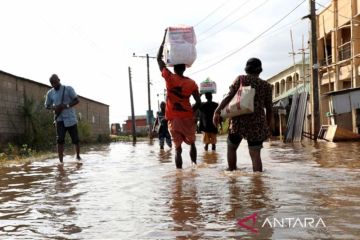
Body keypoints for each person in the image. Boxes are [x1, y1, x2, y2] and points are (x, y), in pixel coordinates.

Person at [213, 58, 272, 172]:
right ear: (260, 70)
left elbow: (229, 96)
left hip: (238, 122)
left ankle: (232, 176)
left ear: (247, 69)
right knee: (255, 155)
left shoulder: (241, 79)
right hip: (257, 124)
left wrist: (217, 111)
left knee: (231, 148)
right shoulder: (266, 86)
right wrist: (267, 127)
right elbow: (269, 109)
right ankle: (258, 183)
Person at [157, 29, 201, 169]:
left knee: (177, 149)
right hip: (187, 117)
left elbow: (159, 59)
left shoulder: (169, 78)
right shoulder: (192, 83)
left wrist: (164, 39)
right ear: (184, 69)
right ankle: (194, 166)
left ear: (174, 68)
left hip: (174, 119)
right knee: (192, 143)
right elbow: (199, 103)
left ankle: (179, 175)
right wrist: (191, 112)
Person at [45, 74, 81, 163]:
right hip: (59, 120)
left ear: (59, 80)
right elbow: (46, 106)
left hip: (71, 119)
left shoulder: (68, 89)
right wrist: (54, 108)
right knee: (60, 140)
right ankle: (61, 162)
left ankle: (78, 156)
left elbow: (77, 100)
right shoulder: (50, 93)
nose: (54, 84)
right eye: (52, 83)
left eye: (55, 82)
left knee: (75, 139)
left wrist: (66, 106)